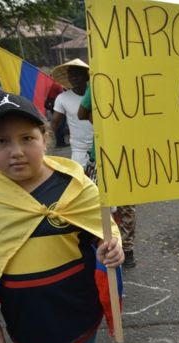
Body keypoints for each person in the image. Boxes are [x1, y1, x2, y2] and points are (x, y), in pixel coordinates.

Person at [0, 93, 124, 343]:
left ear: (44, 138)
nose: (17, 152)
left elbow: (104, 231)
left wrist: (113, 246)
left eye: (27, 138)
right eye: (1, 141)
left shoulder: (75, 185)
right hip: (27, 324)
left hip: (79, 315)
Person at [77, 84, 137, 269]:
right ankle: (120, 250)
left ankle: (115, 249)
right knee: (111, 206)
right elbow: (82, 114)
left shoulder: (97, 81)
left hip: (113, 156)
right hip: (119, 155)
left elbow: (83, 114)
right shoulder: (99, 82)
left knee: (105, 206)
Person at [51, 59, 93, 166]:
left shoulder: (96, 94)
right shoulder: (62, 98)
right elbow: (55, 122)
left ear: (86, 76)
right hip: (79, 150)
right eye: (71, 75)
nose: (74, 78)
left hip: (100, 145)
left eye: (77, 74)